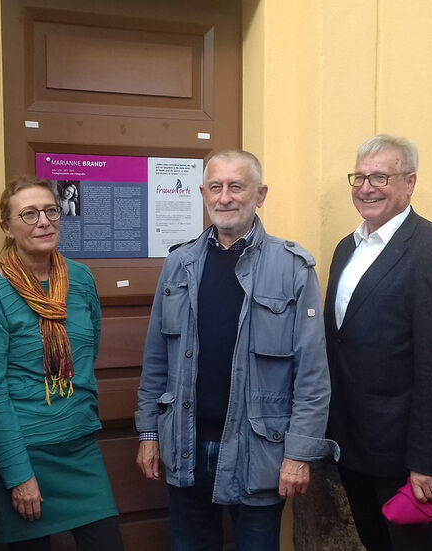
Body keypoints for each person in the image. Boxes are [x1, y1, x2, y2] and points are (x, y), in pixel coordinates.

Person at [135, 150, 337, 551]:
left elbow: (312, 373)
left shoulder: (293, 268)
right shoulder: (179, 264)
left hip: (259, 452)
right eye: (215, 187)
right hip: (185, 447)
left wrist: (299, 453)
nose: (224, 197)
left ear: (260, 194)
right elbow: (157, 358)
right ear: (203, 193)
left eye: (236, 186)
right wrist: (148, 432)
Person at [324, 134, 432, 550]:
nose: (366, 187)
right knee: (374, 543)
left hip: (403, 455)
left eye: (380, 177)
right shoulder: (345, 250)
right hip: (352, 445)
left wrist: (426, 461)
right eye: (360, 177)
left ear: (409, 182)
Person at [0, 176, 123, 551]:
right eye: (29, 214)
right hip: (25, 452)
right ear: (7, 227)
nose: (44, 221)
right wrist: (19, 476)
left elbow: (87, 354)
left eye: (51, 210)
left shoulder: (81, 279)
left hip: (80, 446)